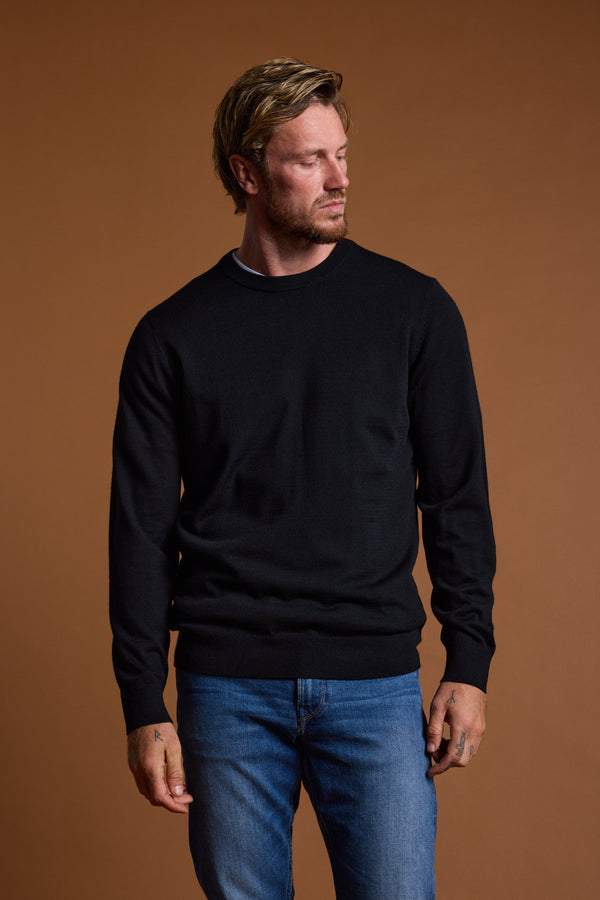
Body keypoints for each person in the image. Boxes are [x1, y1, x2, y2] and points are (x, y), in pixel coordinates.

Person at [109, 58, 495, 900]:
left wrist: (469, 661)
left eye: (343, 154)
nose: (339, 178)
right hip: (225, 689)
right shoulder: (172, 335)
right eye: (310, 159)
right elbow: (140, 531)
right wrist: (144, 701)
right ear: (248, 174)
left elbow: (456, 496)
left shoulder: (414, 310)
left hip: (376, 683)